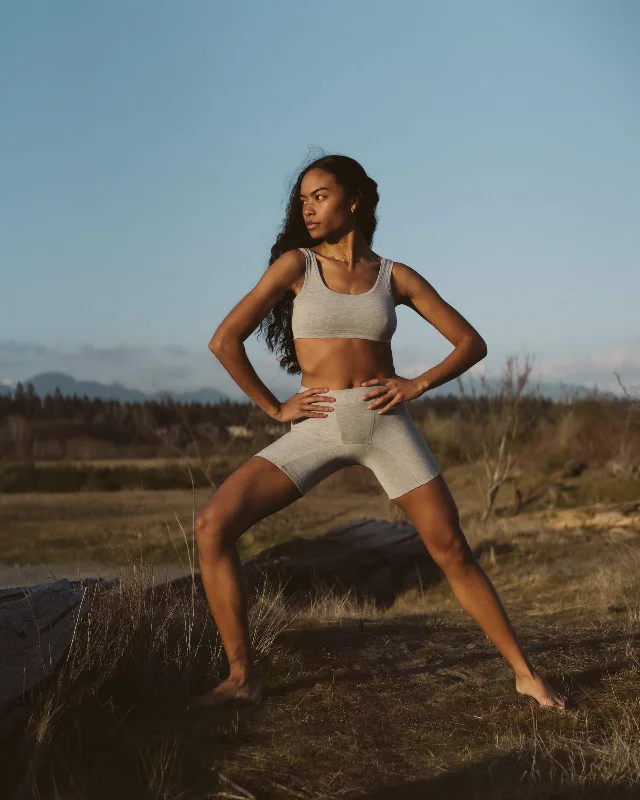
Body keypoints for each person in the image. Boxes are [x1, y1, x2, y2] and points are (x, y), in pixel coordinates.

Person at [187, 154, 567, 712]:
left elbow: (470, 343)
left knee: (451, 549)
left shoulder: (396, 276)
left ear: (354, 200)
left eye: (319, 195)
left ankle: (525, 675)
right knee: (212, 525)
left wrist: (417, 384)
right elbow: (225, 340)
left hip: (385, 422)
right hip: (317, 423)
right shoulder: (296, 267)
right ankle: (242, 677)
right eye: (303, 200)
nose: (308, 208)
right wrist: (274, 408)